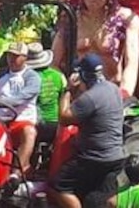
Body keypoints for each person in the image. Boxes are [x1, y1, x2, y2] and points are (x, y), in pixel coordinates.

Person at [50, 52, 125, 208]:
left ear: (84, 75)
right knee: (100, 198)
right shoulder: (113, 89)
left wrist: (68, 90)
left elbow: (64, 119)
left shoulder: (90, 98)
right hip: (116, 156)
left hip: (93, 159)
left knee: (57, 185)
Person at [0, 42, 41, 175]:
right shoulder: (0, 75)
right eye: (9, 55)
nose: (11, 59)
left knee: (29, 132)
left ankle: (16, 173)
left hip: (22, 119)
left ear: (25, 58)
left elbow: (21, 98)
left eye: (16, 56)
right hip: (0, 120)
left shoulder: (32, 77)